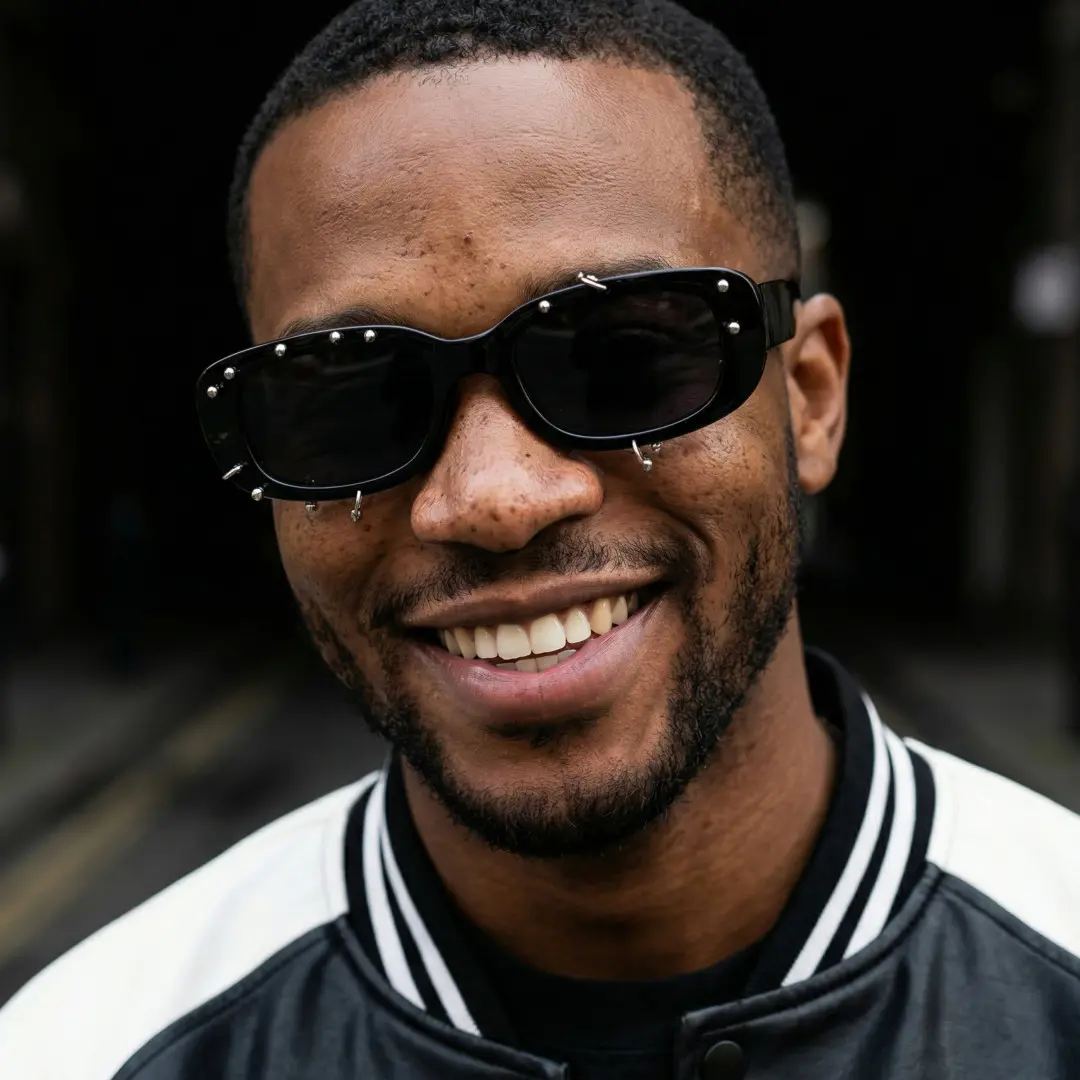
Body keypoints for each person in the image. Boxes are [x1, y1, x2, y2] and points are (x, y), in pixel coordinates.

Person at [3, 1, 1080, 1077]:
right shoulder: (83, 1050)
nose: (492, 500)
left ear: (811, 398)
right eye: (354, 399)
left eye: (623, 361)